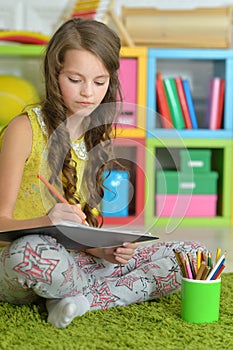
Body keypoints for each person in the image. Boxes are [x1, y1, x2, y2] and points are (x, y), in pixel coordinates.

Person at [0, 18, 205, 328]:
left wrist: (104, 249)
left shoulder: (95, 134)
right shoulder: (24, 129)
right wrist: (46, 222)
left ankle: (78, 301)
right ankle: (97, 293)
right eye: (75, 79)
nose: (88, 93)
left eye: (99, 82)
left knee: (192, 256)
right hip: (24, 261)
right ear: (54, 74)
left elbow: (79, 234)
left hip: (75, 261)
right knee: (32, 252)